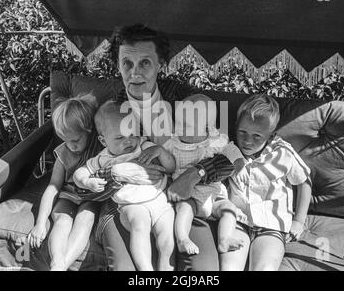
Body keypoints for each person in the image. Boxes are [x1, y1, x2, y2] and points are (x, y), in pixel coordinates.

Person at [78, 24, 235, 270]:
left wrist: (195, 174)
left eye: (145, 63)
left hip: (186, 199)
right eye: (126, 63)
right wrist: (114, 173)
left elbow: (228, 157)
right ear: (118, 64)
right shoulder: (107, 109)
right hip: (125, 204)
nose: (134, 73)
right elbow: (84, 187)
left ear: (161, 63)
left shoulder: (187, 98)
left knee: (204, 270)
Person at [73, 100, 176, 271]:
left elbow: (171, 167)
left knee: (167, 235)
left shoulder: (144, 145)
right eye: (120, 137)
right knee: (140, 226)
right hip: (133, 206)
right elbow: (79, 174)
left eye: (133, 134)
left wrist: (160, 151)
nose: (128, 141)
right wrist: (87, 181)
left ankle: (166, 266)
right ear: (103, 141)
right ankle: (146, 269)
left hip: (160, 201)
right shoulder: (103, 159)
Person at [220, 94, 312, 270]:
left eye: (257, 136)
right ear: (236, 127)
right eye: (242, 132)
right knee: (229, 267)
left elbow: (304, 181)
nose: (247, 141)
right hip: (238, 221)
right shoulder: (229, 149)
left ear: (271, 136)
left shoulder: (283, 152)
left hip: (272, 225)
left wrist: (299, 221)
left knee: (265, 267)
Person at [24, 94, 103, 271]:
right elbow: (53, 187)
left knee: (86, 218)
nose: (71, 146)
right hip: (68, 196)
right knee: (62, 221)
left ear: (89, 130)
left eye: (75, 140)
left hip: (91, 198)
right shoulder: (63, 153)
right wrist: (40, 223)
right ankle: (57, 262)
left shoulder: (99, 150)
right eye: (65, 140)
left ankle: (61, 266)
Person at [164, 94, 246, 255]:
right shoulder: (173, 143)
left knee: (229, 209)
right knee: (184, 210)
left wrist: (239, 163)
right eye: (178, 123)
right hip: (189, 197)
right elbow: (163, 159)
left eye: (187, 125)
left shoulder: (216, 141)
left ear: (209, 128)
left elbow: (231, 150)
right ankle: (182, 238)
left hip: (214, 197)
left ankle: (225, 239)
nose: (180, 129)